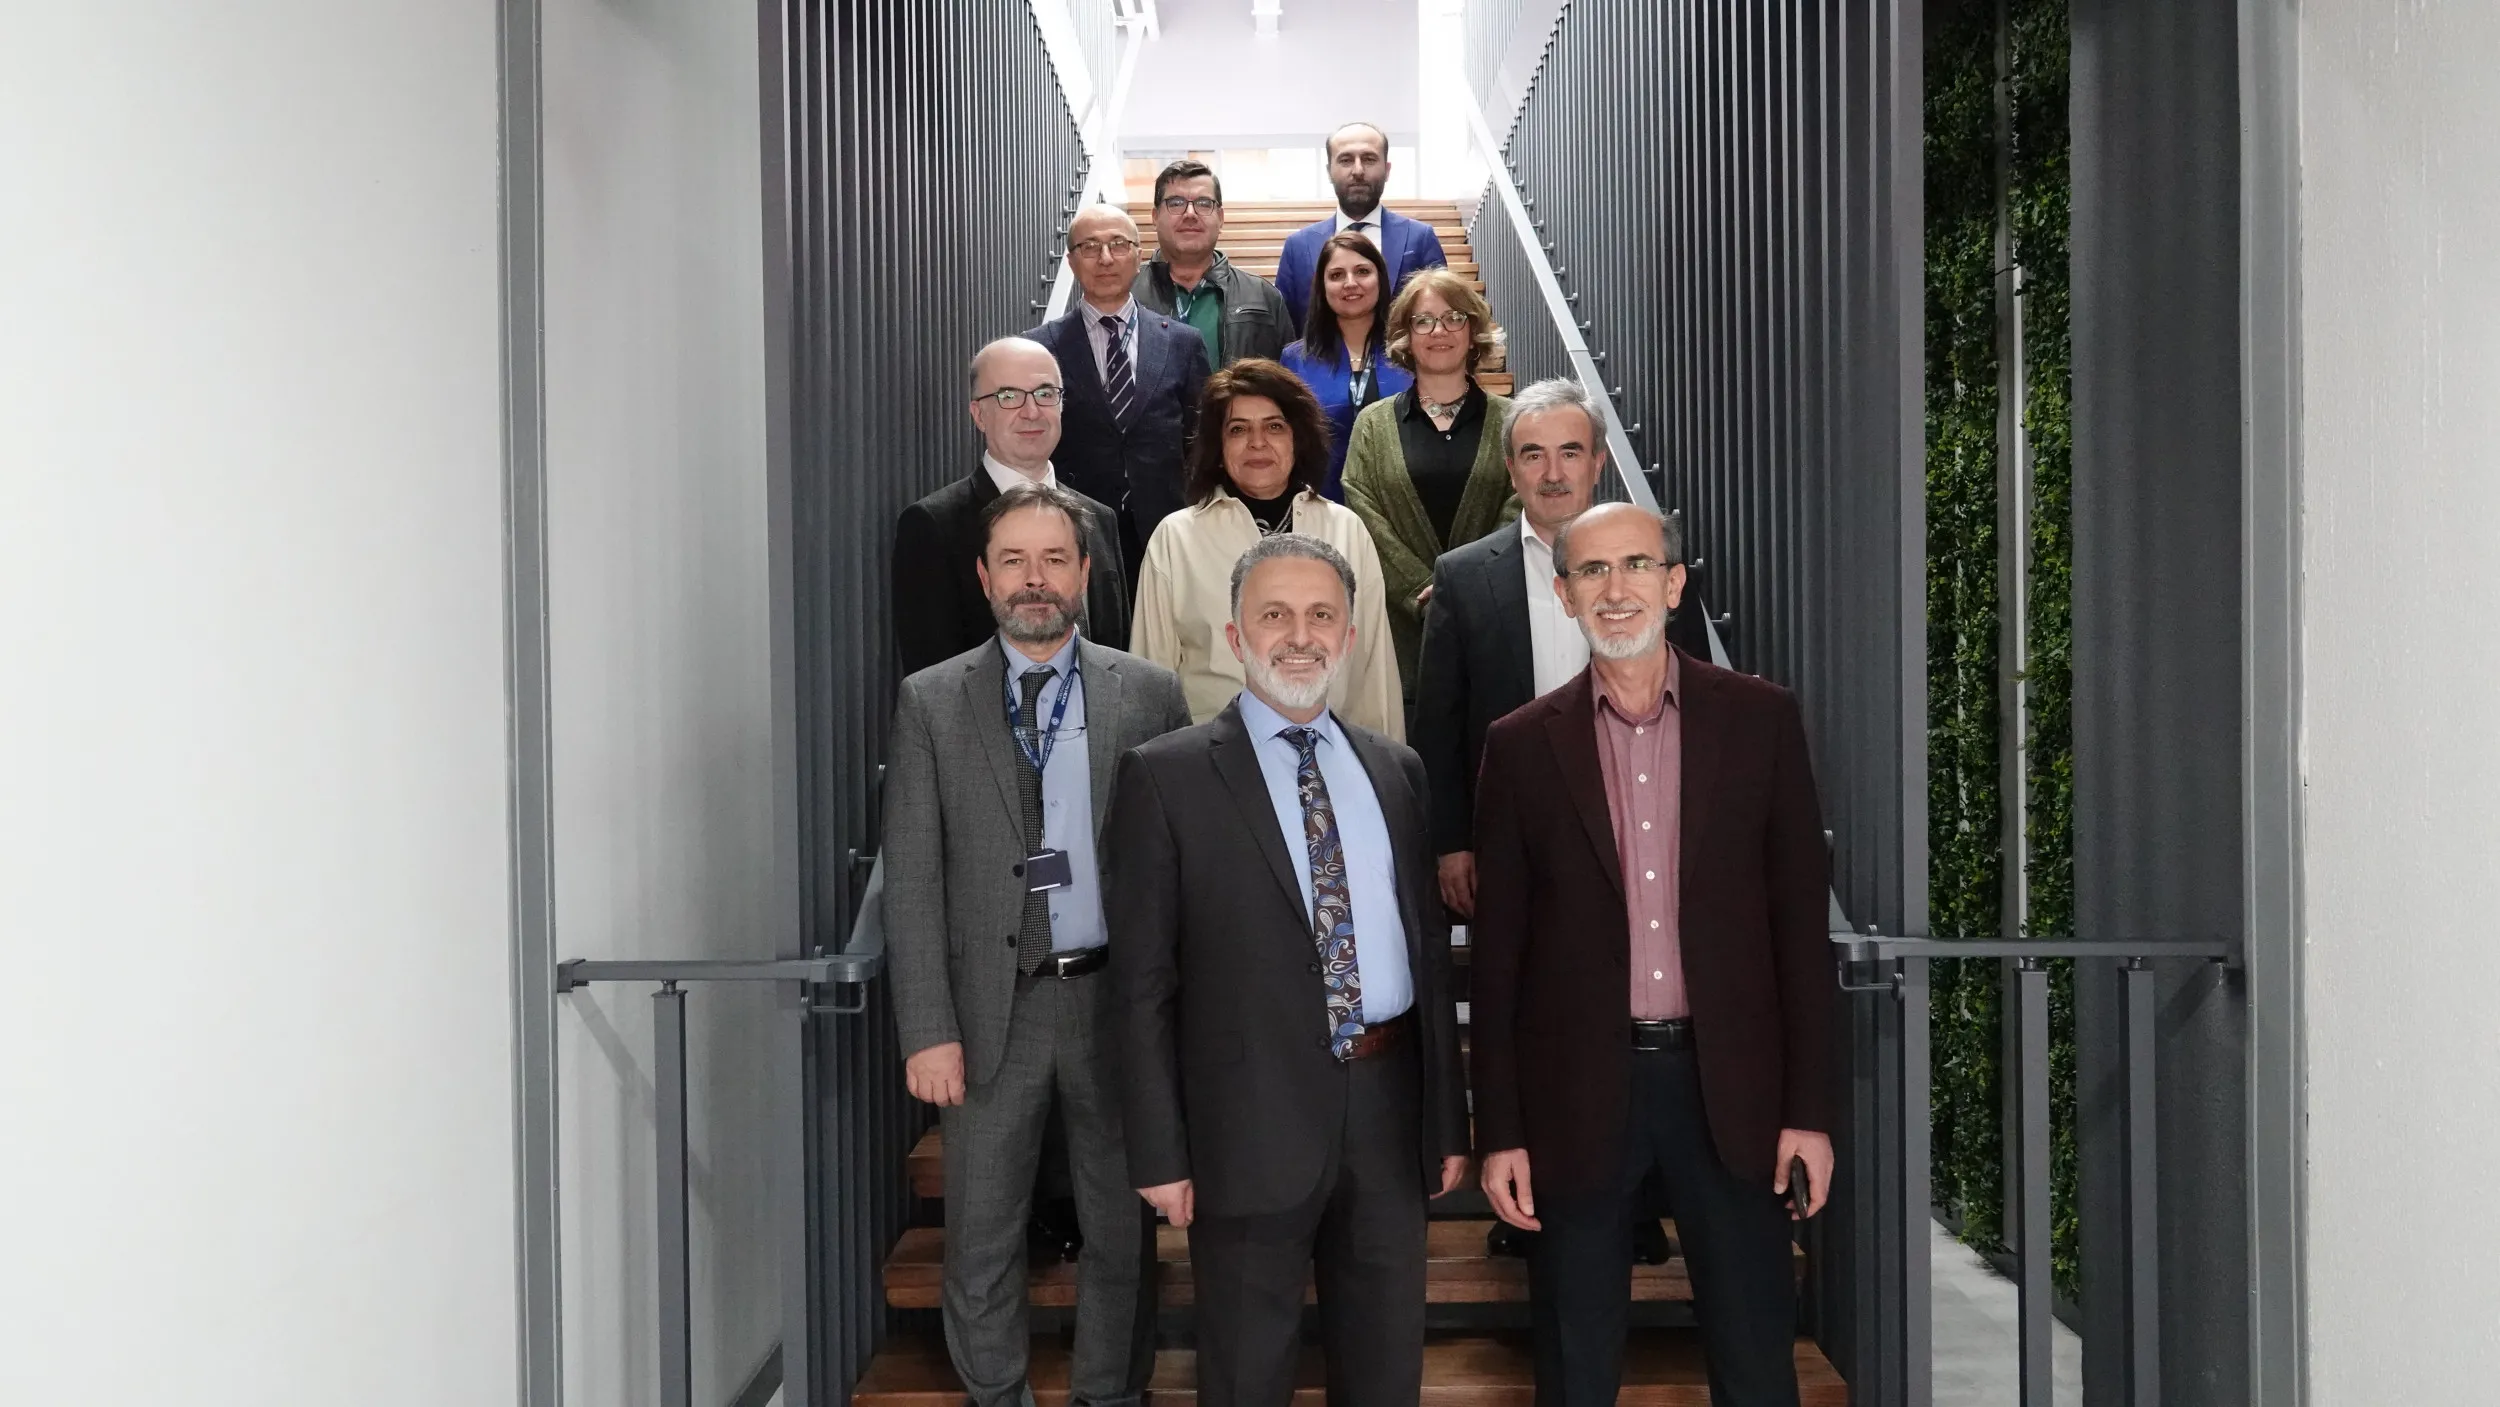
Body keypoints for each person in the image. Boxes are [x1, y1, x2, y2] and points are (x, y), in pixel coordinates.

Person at [1470, 503, 1834, 1407]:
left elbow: (1798, 928)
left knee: (1757, 1362)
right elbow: (1500, 958)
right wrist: (1501, 1129)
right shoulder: (1518, 746)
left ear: (1673, 584)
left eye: (1636, 564)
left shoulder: (1762, 719)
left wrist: (1809, 1110)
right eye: (1591, 571)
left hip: (1732, 1089)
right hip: (1578, 1094)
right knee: (1575, 1364)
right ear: (1564, 594)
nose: (1615, 588)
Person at [1105, 533, 1470, 1407]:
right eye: (1275, 615)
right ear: (1236, 636)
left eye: (1320, 615)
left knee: (1386, 1373)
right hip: (1244, 1123)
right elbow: (1142, 986)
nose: (1299, 636)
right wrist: (1159, 1150)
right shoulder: (1164, 776)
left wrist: (1447, 1123)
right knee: (1245, 1375)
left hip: (1387, 1116)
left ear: (1349, 636)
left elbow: (1427, 955)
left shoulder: (1398, 771)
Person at [885, 479, 1196, 1407]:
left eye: (1054, 559)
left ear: (1085, 573)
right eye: (1014, 560)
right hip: (992, 1009)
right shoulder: (932, 701)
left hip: (1114, 1003)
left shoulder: (1148, 693)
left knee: (1120, 1227)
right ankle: (997, 1392)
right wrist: (927, 1029)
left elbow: (1183, 866)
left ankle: (1110, 1391)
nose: (1035, 578)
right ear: (984, 576)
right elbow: (913, 876)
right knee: (982, 1229)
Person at [1409, 376, 1606, 920]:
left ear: (1598, 463)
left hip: (1630, 826)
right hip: (1506, 839)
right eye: (1533, 455)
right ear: (1510, 470)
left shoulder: (1652, 566)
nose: (1553, 473)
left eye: (1571, 452)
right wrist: (1450, 844)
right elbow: (1439, 724)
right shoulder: (1462, 576)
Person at [1131, 358, 1405, 738]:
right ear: (1218, 446)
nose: (1257, 442)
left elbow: (1374, 669)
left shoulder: (1346, 529)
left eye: (1274, 427)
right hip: (1211, 759)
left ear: (1298, 439)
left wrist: (1382, 766)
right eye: (1238, 429)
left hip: (1329, 750)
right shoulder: (1175, 538)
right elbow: (1150, 680)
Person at [892, 336, 1131, 675]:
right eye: (1009, 396)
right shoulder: (932, 525)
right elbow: (933, 680)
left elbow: (1117, 656)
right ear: (979, 414)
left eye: (1045, 394)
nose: (1031, 412)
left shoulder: (1100, 518)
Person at [1341, 267, 1518, 703]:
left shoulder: (1512, 421)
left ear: (1473, 332)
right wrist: (1424, 593)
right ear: (1406, 337)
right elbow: (1363, 512)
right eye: (1423, 321)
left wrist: (1466, 585)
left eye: (1454, 318)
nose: (1439, 331)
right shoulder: (1372, 424)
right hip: (1400, 630)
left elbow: (1521, 504)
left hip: (1491, 618)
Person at [1029, 204, 1213, 576]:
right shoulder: (1040, 348)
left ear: (1139, 255)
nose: (1105, 258)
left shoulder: (1182, 342)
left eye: (1118, 244)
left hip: (1168, 526)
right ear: (1071, 261)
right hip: (1075, 528)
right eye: (1090, 247)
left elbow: (1203, 440)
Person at [1274, 123, 1450, 333]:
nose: (1358, 170)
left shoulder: (1420, 239)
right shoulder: (1298, 247)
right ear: (1329, 171)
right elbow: (1286, 328)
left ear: (1387, 170)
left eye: (1369, 159)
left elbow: (1443, 314)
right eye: (1346, 160)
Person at [1278, 231, 1413, 500]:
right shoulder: (1295, 359)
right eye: (1337, 275)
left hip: (1401, 504)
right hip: (1321, 505)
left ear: (1380, 278)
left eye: (1362, 271)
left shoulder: (1410, 352)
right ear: (1323, 286)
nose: (1350, 283)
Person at [1132, 159, 1292, 367]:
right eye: (1176, 203)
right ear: (1155, 216)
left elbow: (1287, 379)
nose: (1190, 214)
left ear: (1221, 217)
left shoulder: (1263, 297)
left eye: (1204, 203)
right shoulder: (1127, 291)